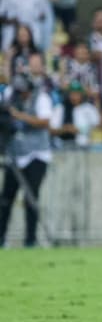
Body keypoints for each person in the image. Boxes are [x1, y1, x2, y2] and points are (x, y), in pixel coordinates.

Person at [0, 74, 53, 248]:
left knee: (31, 197)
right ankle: (1, 238)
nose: (21, 94)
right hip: (15, 154)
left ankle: (30, 239)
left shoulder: (42, 98)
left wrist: (19, 116)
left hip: (36, 154)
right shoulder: (10, 97)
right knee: (6, 198)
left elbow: (45, 121)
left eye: (24, 91)